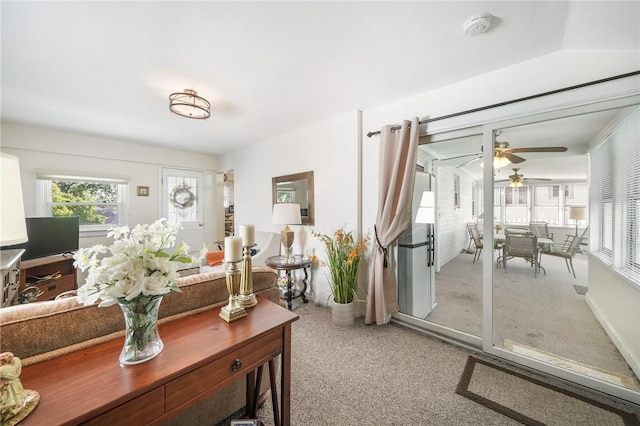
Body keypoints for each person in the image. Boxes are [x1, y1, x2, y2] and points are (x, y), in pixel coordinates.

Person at [0, 352, 27, 423]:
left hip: (8, 387)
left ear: (4, 361)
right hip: (14, 384)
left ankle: (10, 411)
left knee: (9, 399)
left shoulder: (2, 369)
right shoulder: (11, 367)